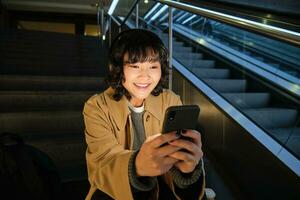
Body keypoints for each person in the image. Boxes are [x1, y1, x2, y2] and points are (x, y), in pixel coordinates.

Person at [83, 29, 205, 200]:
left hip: (162, 186)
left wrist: (187, 170)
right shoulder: (96, 106)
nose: (145, 76)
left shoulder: (170, 100)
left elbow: (177, 164)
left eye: (153, 66)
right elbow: (102, 164)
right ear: (118, 68)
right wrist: (137, 166)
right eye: (135, 66)